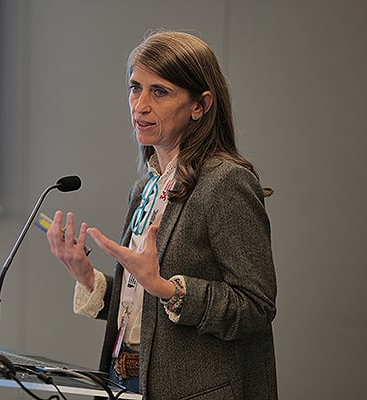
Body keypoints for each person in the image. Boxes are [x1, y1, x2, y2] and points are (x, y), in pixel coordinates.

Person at [45, 30, 277, 400]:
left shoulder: (226, 182)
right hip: (127, 381)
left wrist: (168, 288)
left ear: (200, 105)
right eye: (135, 88)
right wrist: (87, 276)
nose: (140, 105)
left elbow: (255, 307)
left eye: (160, 91)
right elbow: (145, 308)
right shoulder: (145, 187)